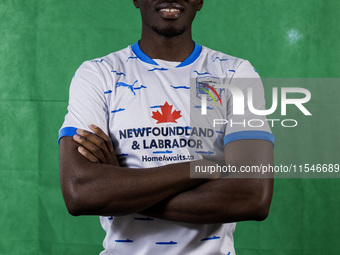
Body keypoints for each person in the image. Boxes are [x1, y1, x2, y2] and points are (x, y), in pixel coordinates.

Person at [58, 0, 275, 254]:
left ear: (200, 1)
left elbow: (252, 196)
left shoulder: (235, 73)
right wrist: (198, 169)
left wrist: (120, 187)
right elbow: (79, 192)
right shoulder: (98, 74)